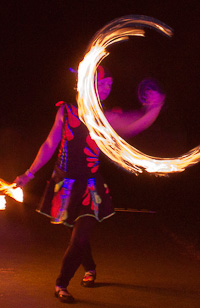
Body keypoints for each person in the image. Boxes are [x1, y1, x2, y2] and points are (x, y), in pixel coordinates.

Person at [14, 68, 165, 303]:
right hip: (64, 183)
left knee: (80, 238)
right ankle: (91, 267)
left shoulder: (106, 117)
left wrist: (154, 108)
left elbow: (134, 125)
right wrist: (28, 174)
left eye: (110, 84)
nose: (108, 88)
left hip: (91, 186)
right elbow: (50, 144)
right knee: (76, 237)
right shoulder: (66, 111)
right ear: (89, 83)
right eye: (104, 83)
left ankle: (61, 284)